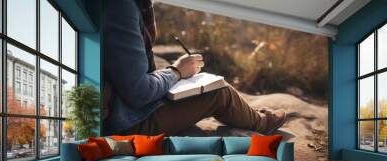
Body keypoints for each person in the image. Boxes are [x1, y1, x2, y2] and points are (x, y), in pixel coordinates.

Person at [103, 0, 286, 136]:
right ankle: (261, 124)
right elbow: (139, 92)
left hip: (123, 112)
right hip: (130, 122)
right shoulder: (120, 7)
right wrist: (176, 71)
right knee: (220, 92)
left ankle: (252, 116)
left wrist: (176, 73)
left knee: (190, 83)